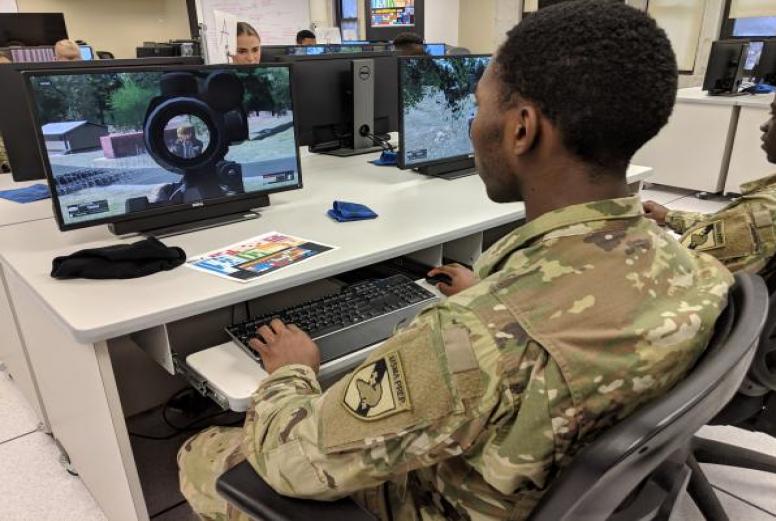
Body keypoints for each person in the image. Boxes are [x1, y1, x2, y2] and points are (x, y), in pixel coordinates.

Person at [178, 2, 734, 520]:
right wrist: (488, 294)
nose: (471, 126)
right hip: (555, 485)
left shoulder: (473, 338)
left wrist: (291, 372)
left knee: (203, 453)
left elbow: (293, 463)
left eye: (478, 107)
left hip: (447, 501)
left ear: (521, 129)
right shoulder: (699, 269)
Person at [644, 88, 776, 276]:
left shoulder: (766, 209)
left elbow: (670, 269)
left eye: (775, 114)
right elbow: (724, 231)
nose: (764, 125)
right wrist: (669, 216)